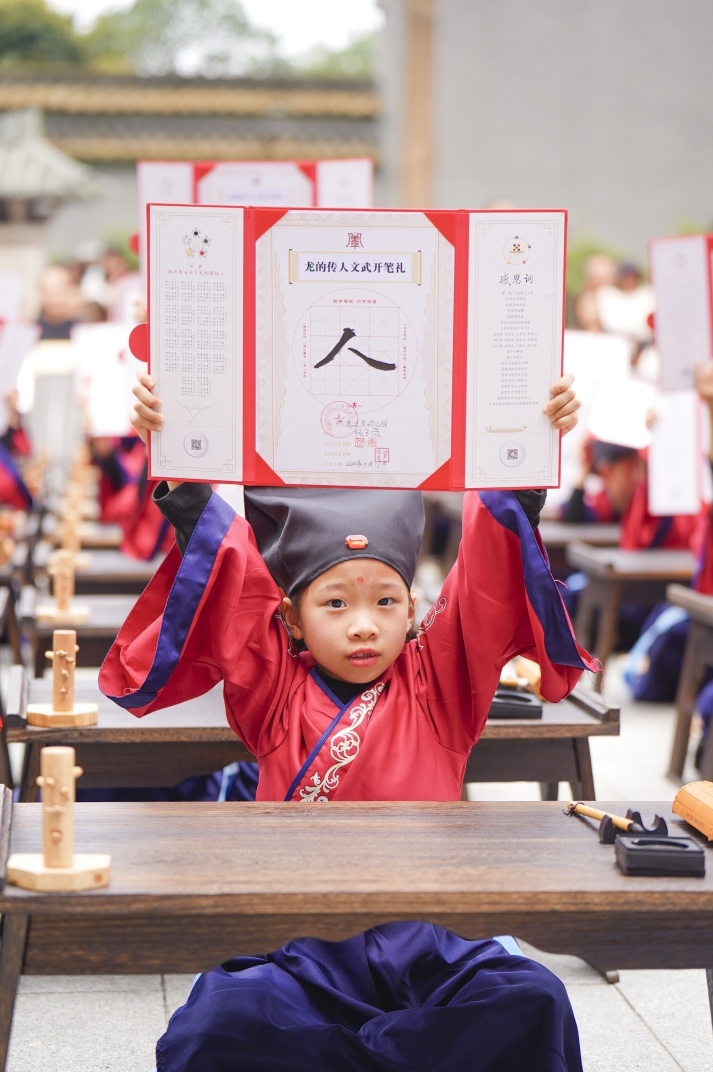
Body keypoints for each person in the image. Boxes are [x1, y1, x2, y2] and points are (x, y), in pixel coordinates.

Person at [100, 372, 593, 1072]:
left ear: (415, 609)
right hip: (299, 946)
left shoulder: (441, 681)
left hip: (430, 941)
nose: (364, 625)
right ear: (290, 618)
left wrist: (520, 449)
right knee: (216, 1025)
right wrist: (182, 451)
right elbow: (232, 567)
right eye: (335, 604)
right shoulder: (270, 685)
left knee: (533, 1000)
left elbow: (482, 573)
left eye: (385, 601)